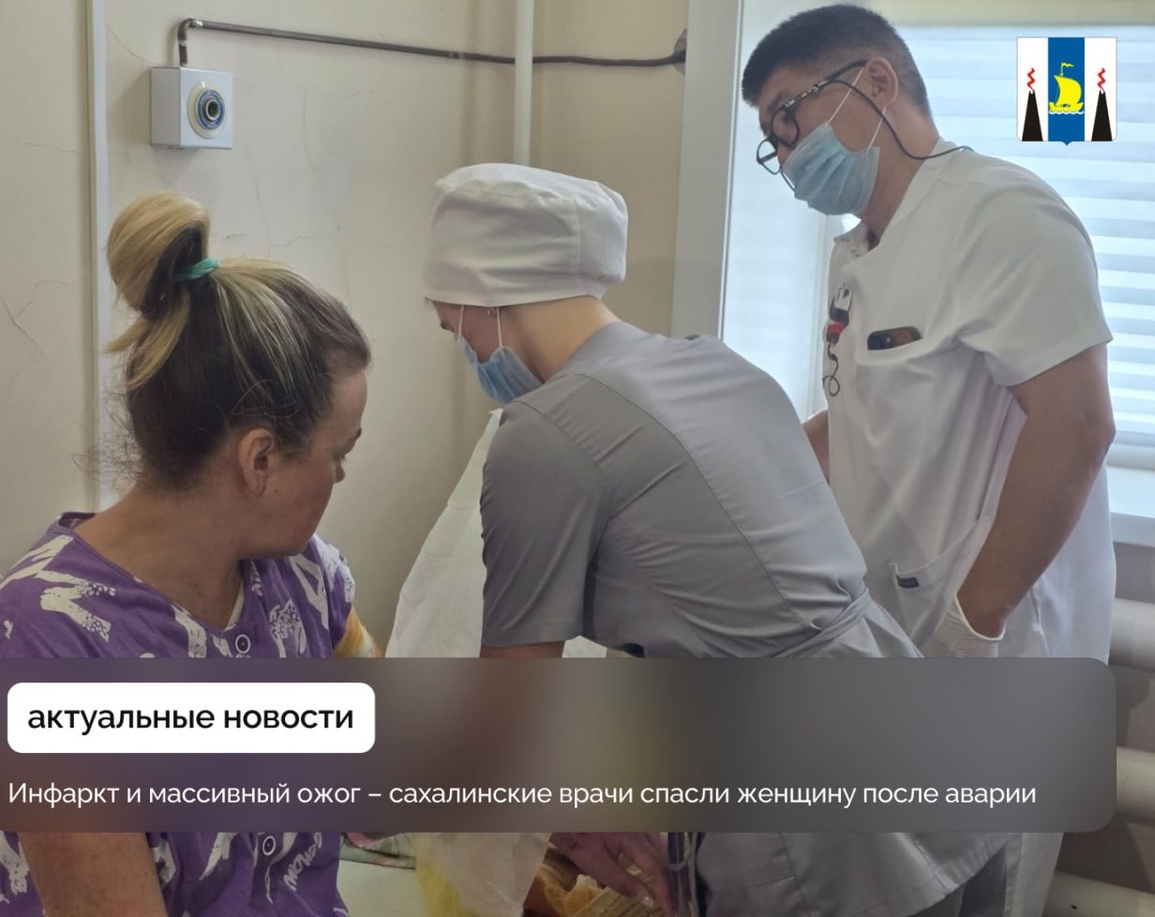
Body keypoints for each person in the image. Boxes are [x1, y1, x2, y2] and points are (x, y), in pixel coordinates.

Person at [420, 162, 1008, 917]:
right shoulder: (715, 363)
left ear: (484, 298)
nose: (465, 348)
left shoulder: (541, 432)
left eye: (454, 328)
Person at [739, 6, 1116, 916]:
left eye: (791, 117)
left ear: (877, 82)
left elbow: (1075, 424)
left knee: (983, 880)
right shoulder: (859, 251)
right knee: (907, 884)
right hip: (902, 632)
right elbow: (860, 413)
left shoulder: (1000, 215)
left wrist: (973, 624)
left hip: (994, 643)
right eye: (772, 140)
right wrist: (739, 482)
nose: (787, 153)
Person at [0, 191, 376, 916]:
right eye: (339, 454)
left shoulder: (304, 577)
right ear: (260, 460)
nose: (341, 476)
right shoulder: (52, 651)